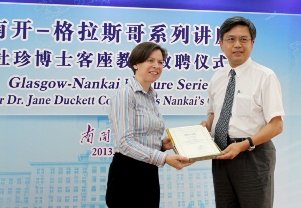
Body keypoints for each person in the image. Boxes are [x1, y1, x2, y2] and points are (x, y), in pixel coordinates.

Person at [201, 16, 285, 208]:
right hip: (221, 155)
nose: (237, 44)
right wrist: (206, 126)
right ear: (221, 44)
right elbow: (214, 114)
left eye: (243, 39)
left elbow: (277, 124)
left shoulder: (265, 76)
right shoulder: (218, 77)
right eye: (231, 39)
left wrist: (244, 144)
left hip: (252, 156)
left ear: (252, 43)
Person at [106, 42, 193, 208]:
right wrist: (164, 158)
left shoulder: (150, 96)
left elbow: (141, 137)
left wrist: (161, 145)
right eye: (150, 60)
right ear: (135, 64)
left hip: (149, 173)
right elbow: (124, 143)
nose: (156, 66)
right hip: (127, 174)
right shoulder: (125, 94)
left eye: (160, 62)